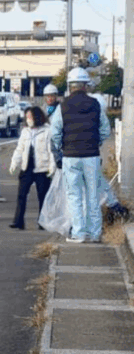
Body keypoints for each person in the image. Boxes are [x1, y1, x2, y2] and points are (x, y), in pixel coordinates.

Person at [49, 66, 111, 243]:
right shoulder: (95, 104)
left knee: (74, 196)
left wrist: (62, 146)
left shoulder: (63, 106)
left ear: (70, 86)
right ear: (86, 86)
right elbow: (105, 130)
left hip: (71, 156)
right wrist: (96, 142)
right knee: (93, 195)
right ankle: (95, 233)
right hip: (92, 156)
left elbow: (55, 132)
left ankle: (79, 233)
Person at [8, 105, 55, 230]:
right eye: (27, 117)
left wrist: (52, 166)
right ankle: (18, 221)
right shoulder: (25, 131)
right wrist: (14, 162)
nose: (28, 119)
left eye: (30, 117)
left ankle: (42, 221)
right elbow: (20, 148)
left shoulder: (47, 131)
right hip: (27, 167)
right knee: (21, 195)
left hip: (42, 168)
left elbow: (51, 150)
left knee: (43, 196)